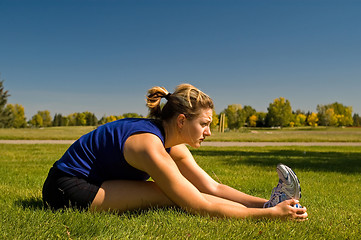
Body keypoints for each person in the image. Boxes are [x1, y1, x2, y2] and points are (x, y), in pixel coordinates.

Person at [42, 83, 308, 220]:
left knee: (183, 189)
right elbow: (198, 204)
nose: (209, 132)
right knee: (170, 194)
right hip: (66, 186)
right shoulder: (149, 145)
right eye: (204, 124)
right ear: (182, 120)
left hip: (98, 182)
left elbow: (212, 188)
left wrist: (264, 204)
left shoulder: (172, 142)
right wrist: (268, 217)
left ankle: (269, 202)